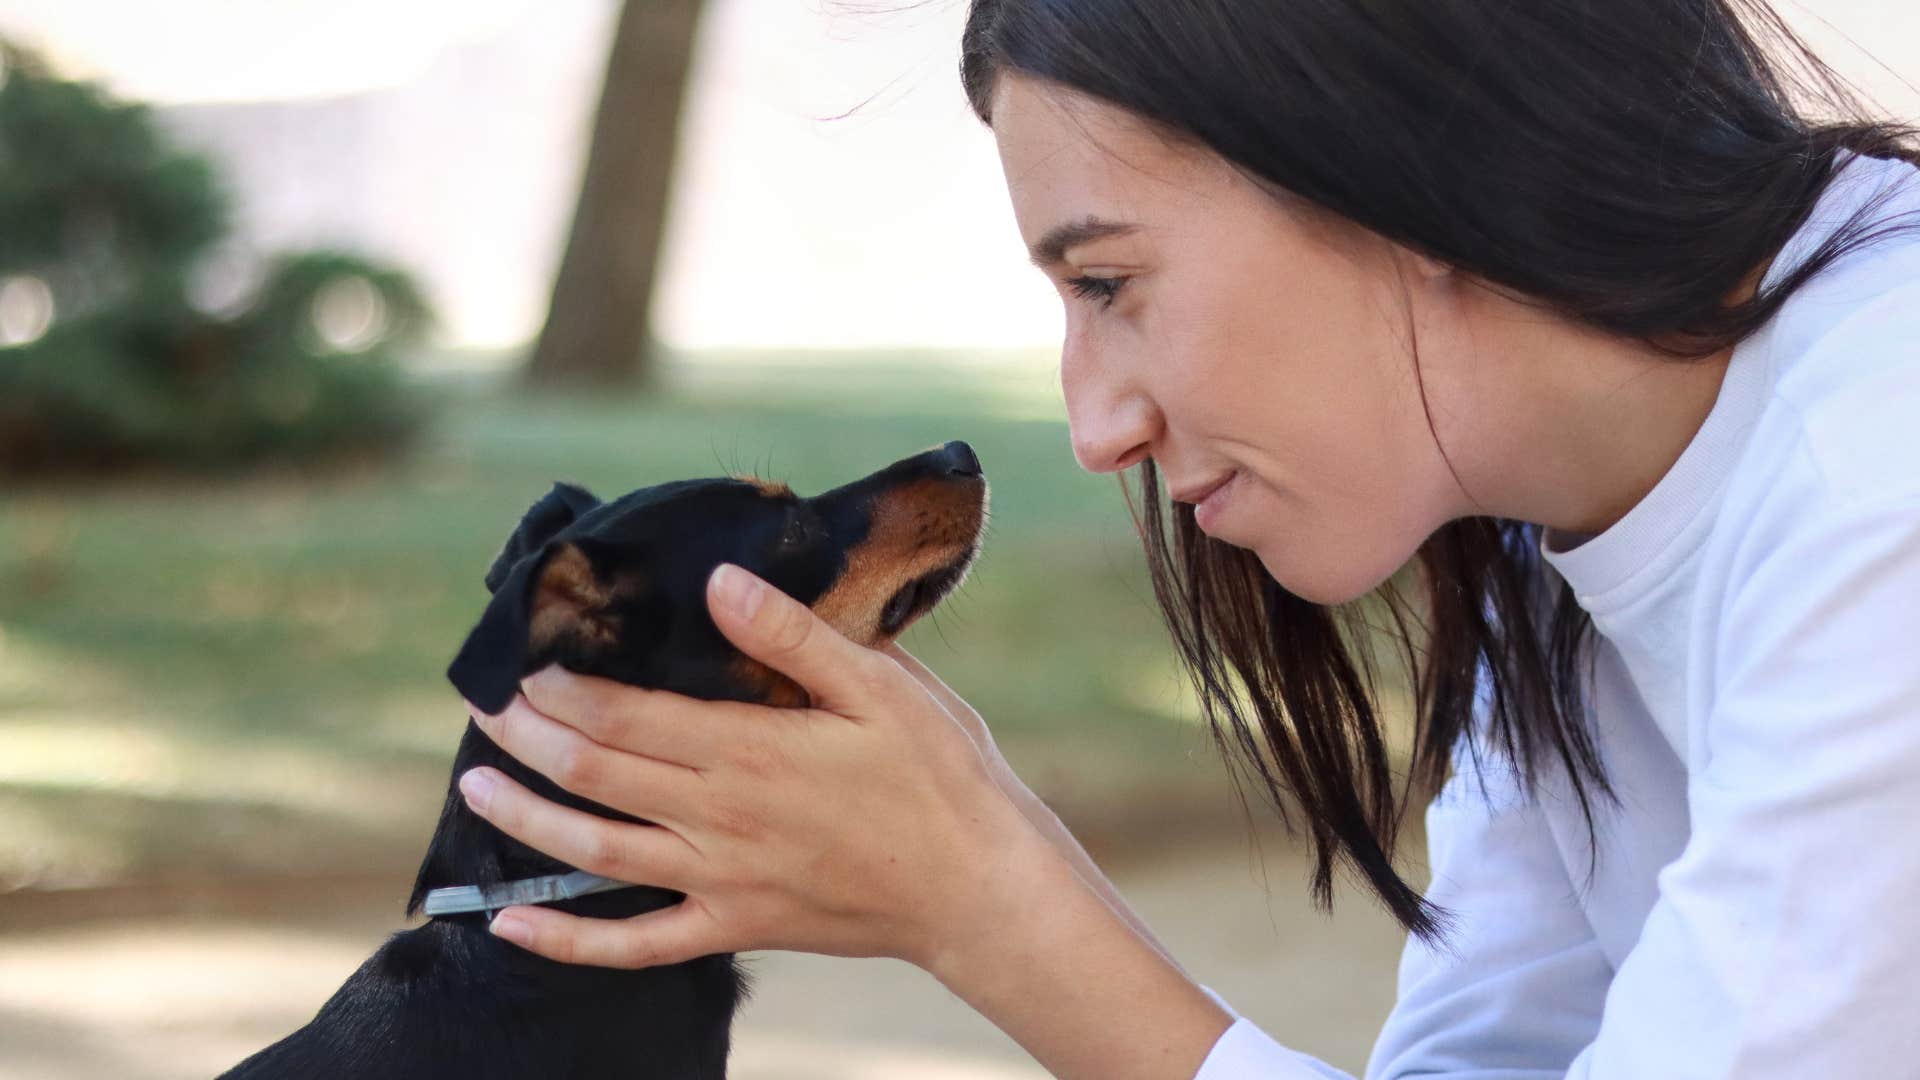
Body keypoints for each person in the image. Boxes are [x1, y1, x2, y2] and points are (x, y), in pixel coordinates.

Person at [451, 1, 1920, 1076]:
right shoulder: (1551, 543)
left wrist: (989, 908)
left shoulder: (1884, 478)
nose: (1096, 431)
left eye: (1105, 284)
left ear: (1395, 158)